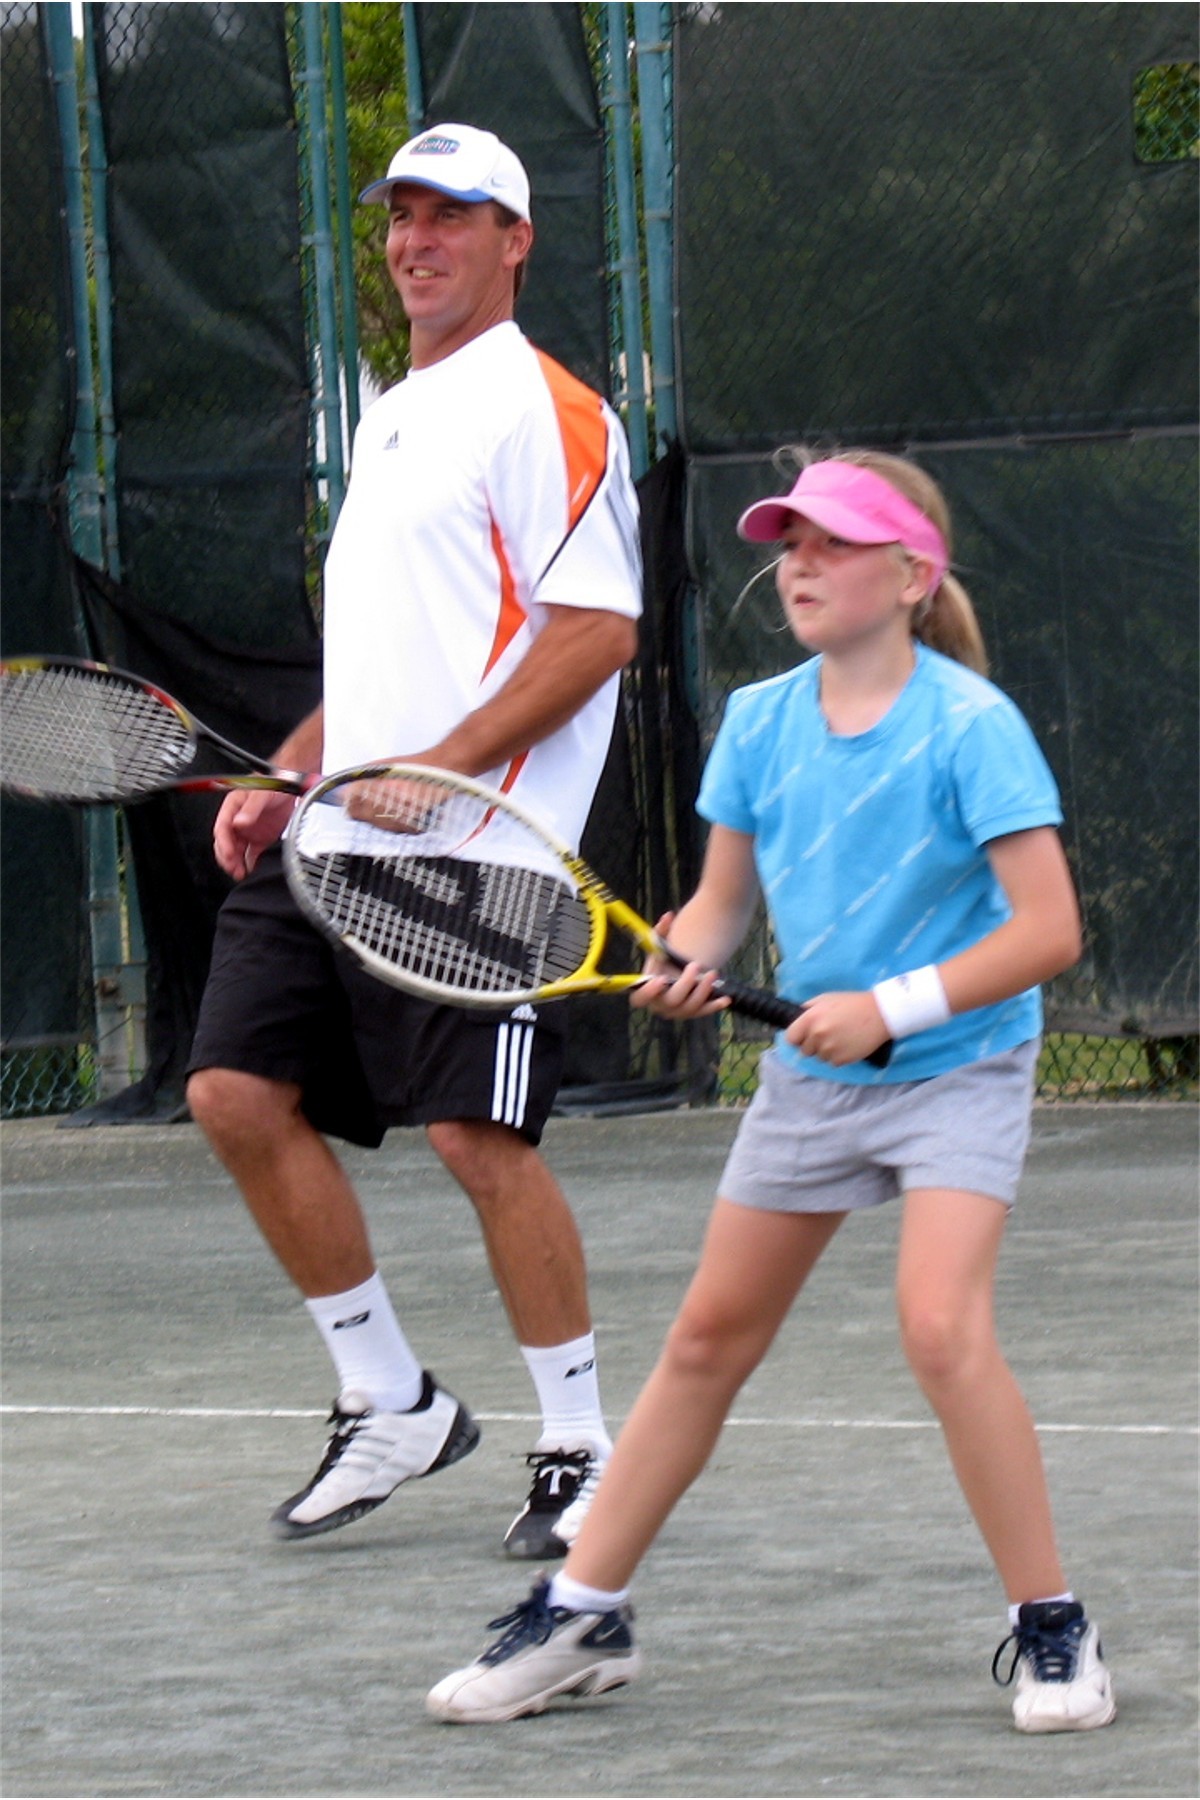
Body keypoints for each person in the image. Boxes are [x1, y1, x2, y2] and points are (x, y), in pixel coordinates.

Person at [425, 449, 1117, 1734]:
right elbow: (723, 906)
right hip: (811, 1077)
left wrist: (893, 1008)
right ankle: (586, 1611)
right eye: (788, 542)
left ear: (913, 577)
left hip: (956, 1066)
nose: (798, 563)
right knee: (702, 1342)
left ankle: (1054, 1627)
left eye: (834, 543)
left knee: (940, 1329)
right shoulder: (759, 722)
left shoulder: (973, 726)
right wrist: (688, 961)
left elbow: (1049, 929)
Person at [185, 124, 642, 1560]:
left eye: (455, 217)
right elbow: (392, 655)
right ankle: (388, 1399)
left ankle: (583, 1443)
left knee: (476, 1137)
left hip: (487, 854)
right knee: (231, 1093)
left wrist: (439, 775)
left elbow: (595, 632)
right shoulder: (390, 413)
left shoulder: (548, 409)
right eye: (401, 219)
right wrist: (293, 771)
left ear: (517, 241)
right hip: (340, 838)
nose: (416, 242)